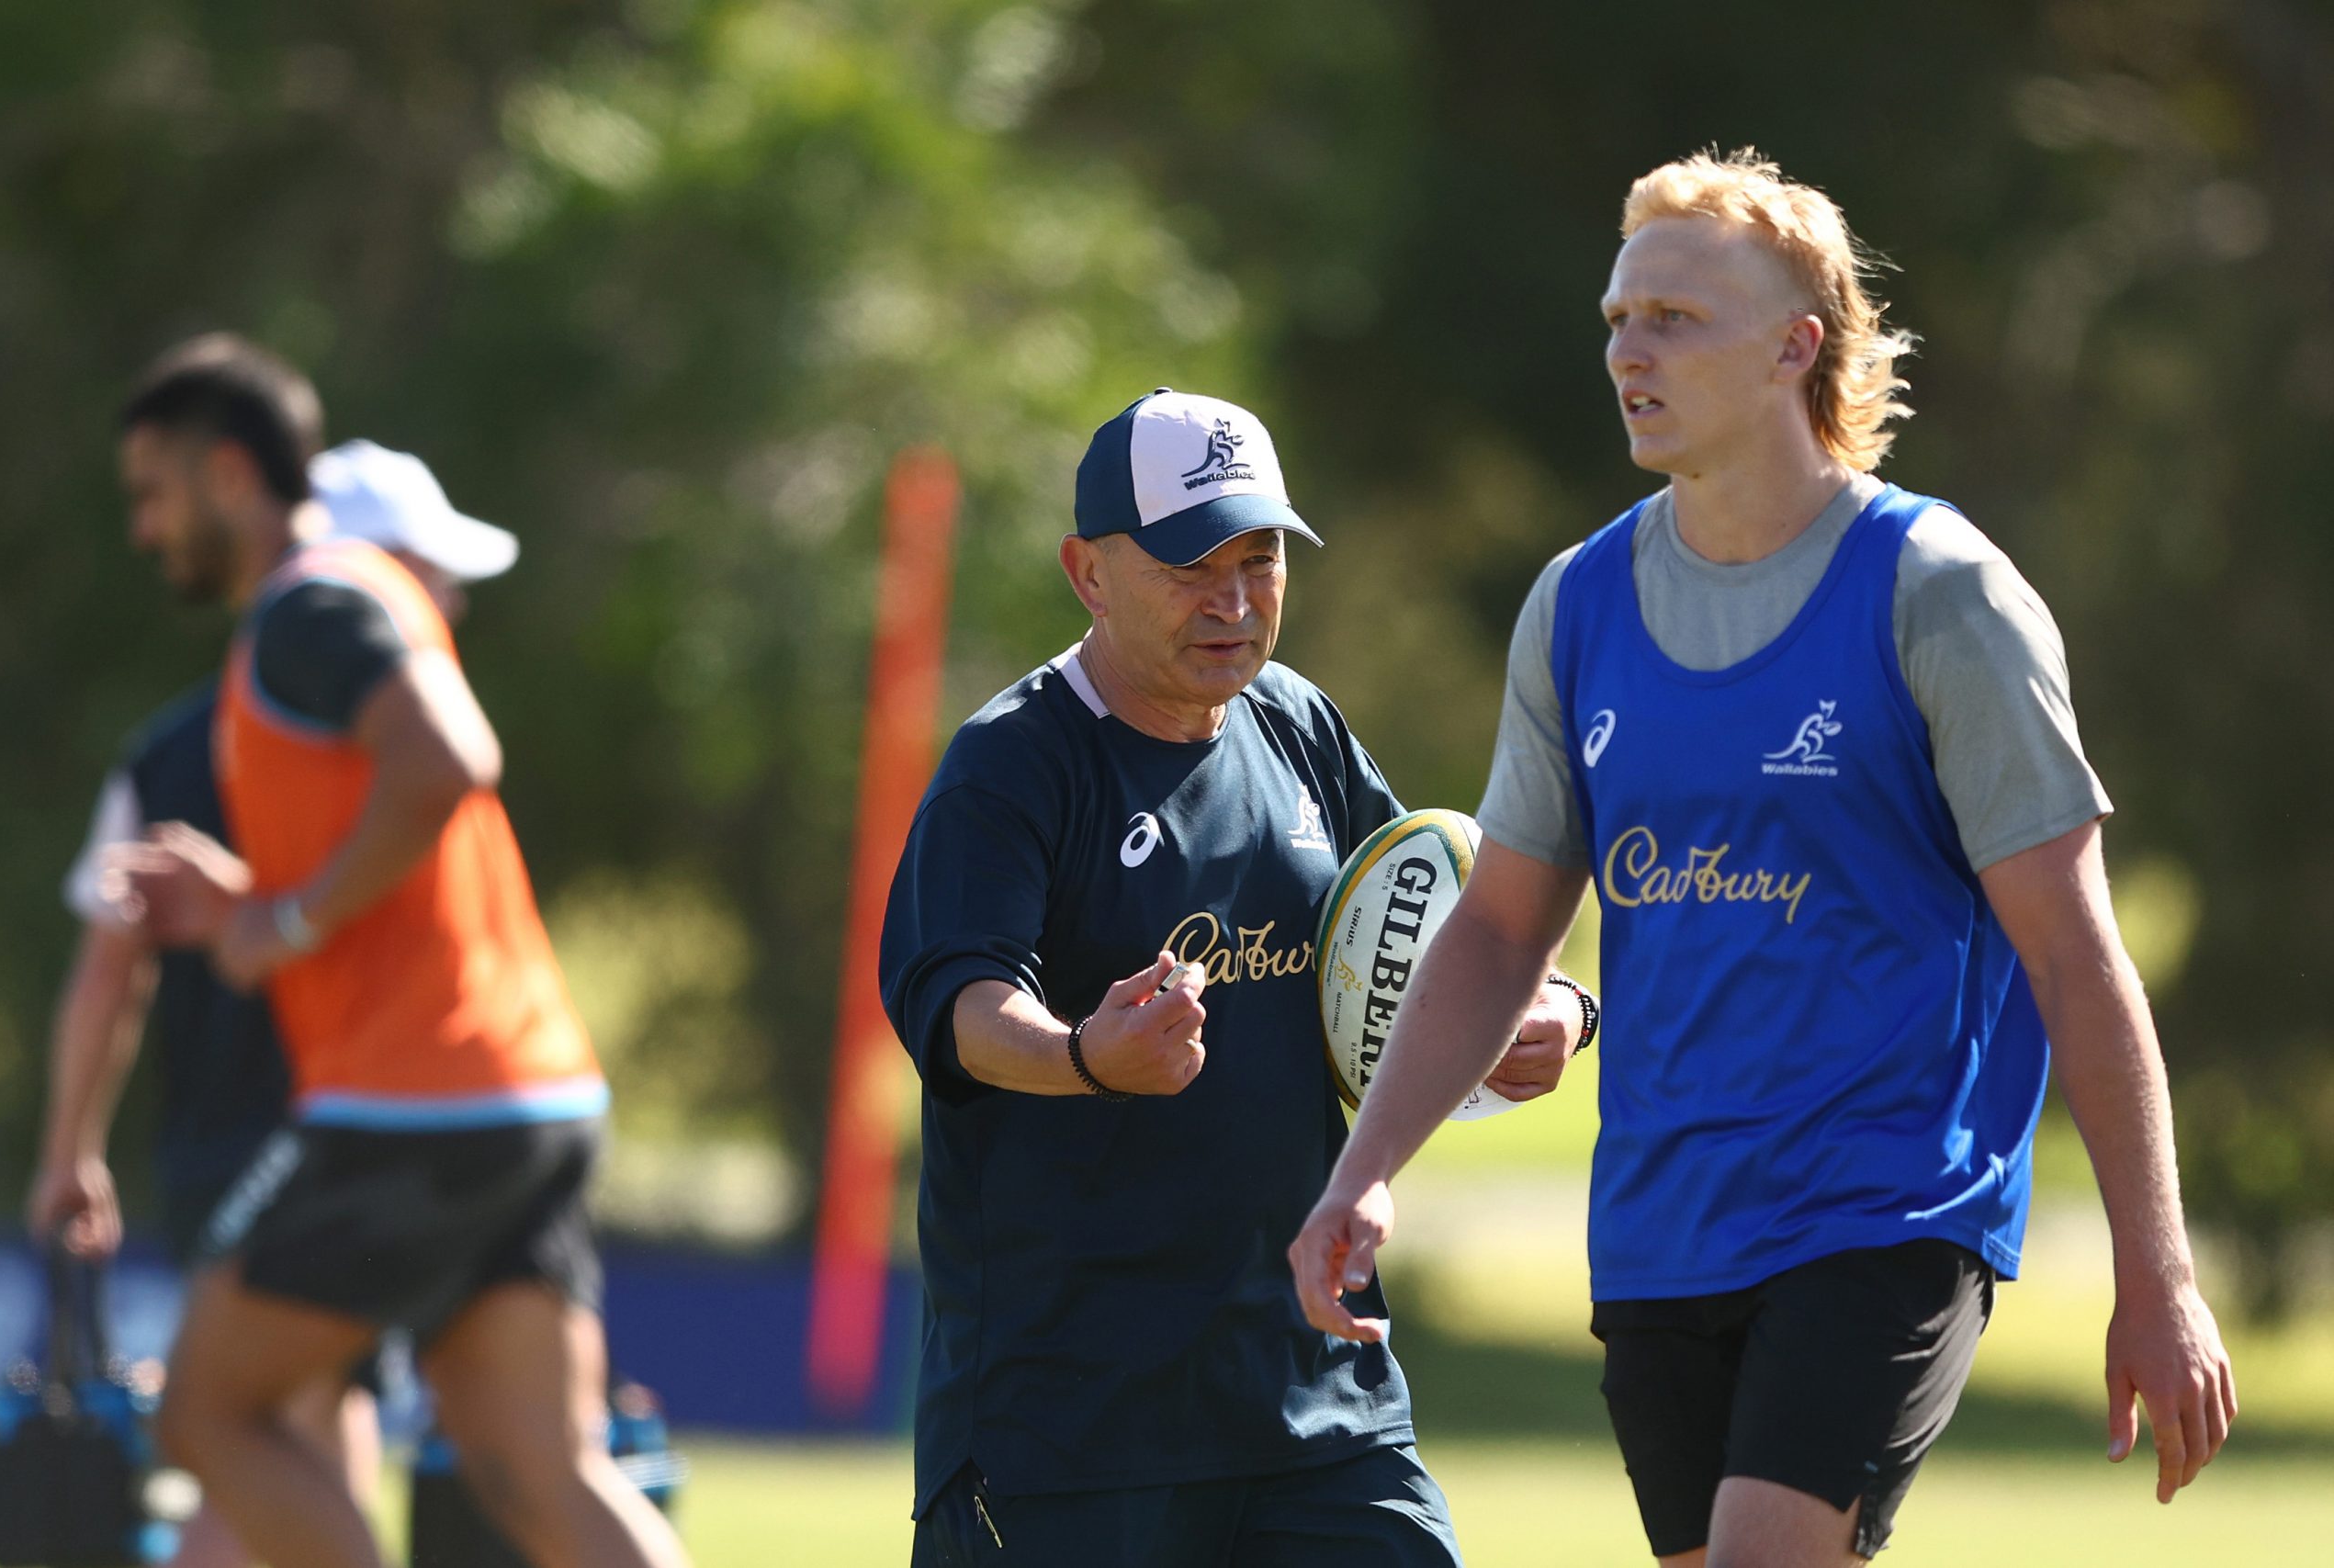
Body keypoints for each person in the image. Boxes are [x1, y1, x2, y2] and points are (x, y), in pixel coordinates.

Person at [1290, 149, 2238, 1567]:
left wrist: (2157, 1270)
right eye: (1618, 318)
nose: (1628, 348)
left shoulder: (1938, 593)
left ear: (1798, 345)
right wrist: (1365, 1170)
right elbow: (1497, 931)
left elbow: (2073, 947)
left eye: (1674, 317)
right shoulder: (1579, 605)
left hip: (1886, 1203)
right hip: (1664, 1226)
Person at [880, 388, 1589, 1567]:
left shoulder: (1296, 724)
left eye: (1259, 558)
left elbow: (1458, 923)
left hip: (1316, 1402)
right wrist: (1084, 1058)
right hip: (1070, 1435)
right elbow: (961, 1012)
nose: (1234, 598)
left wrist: (1558, 1008)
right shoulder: (1010, 767)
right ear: (1088, 573)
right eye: (1188, 563)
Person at [103, 333, 688, 1568]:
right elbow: (389, 839)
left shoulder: (308, 600)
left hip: (413, 1104)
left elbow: (449, 759)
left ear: (225, 473)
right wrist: (239, 911)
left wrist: (283, 921)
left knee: (205, 1410)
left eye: (152, 493)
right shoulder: (353, 594)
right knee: (536, 1465)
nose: (145, 530)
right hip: (533, 1089)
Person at [29, 434, 526, 1567]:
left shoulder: (163, 747)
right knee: (273, 1427)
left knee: (282, 1424)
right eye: (419, 567)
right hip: (346, 1128)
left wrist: (70, 1149)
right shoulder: (390, 741)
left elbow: (108, 966)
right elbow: (118, 961)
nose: (442, 597)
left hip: (257, 1140)